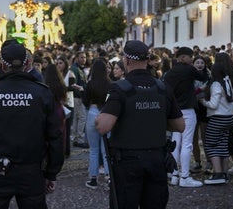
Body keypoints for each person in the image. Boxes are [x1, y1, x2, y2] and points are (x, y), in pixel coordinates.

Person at [0, 40, 64, 208]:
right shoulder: (41, 93)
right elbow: (55, 137)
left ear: (2, 65)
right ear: (27, 64)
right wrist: (51, 173)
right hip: (31, 171)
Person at [95, 40, 184, 208]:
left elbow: (103, 126)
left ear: (127, 61)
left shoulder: (120, 88)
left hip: (128, 162)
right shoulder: (162, 87)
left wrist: (98, 119)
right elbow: (180, 126)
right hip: (157, 159)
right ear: (147, 60)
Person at [164, 46, 206, 188]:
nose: (192, 59)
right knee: (187, 144)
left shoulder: (169, 73)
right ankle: (185, 176)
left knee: (176, 143)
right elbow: (203, 76)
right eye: (190, 56)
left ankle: (175, 175)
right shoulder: (189, 69)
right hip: (187, 110)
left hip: (174, 112)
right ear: (183, 57)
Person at [200, 62, 233, 184]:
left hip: (217, 119)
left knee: (210, 145)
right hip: (229, 118)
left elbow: (214, 105)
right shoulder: (227, 82)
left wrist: (203, 101)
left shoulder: (216, 84)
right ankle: (224, 174)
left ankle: (218, 174)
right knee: (223, 145)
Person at [83, 58, 110, 189]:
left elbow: (85, 101)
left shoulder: (90, 84)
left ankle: (93, 179)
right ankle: (109, 177)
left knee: (93, 149)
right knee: (106, 150)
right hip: (106, 113)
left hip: (93, 112)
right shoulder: (110, 84)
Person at [191, 55, 212, 173]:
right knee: (193, 138)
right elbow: (188, 93)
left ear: (205, 64)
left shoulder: (209, 76)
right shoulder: (190, 76)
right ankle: (197, 162)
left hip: (205, 108)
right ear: (193, 64)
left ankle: (209, 162)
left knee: (205, 137)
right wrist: (200, 90)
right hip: (193, 108)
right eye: (197, 62)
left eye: (202, 63)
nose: (199, 64)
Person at [56, 56, 76, 157]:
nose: (59, 65)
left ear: (65, 64)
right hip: (59, 103)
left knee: (67, 129)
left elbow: (73, 88)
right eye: (57, 63)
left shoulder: (70, 74)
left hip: (68, 103)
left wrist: (62, 89)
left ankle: (67, 151)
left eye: (61, 63)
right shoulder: (56, 75)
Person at [70, 51, 88, 148]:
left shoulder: (79, 68)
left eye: (85, 57)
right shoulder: (74, 69)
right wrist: (81, 94)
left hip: (79, 96)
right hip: (78, 96)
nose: (84, 59)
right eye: (81, 57)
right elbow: (74, 84)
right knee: (82, 117)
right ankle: (79, 139)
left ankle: (76, 138)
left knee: (77, 118)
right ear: (77, 58)